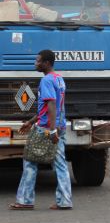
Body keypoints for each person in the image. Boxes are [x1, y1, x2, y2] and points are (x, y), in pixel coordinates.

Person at [9, 49, 72, 211]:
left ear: (47, 63)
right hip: (60, 126)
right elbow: (51, 107)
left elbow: (51, 105)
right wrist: (31, 122)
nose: (35, 64)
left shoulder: (46, 81)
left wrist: (51, 131)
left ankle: (25, 200)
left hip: (46, 129)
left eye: (38, 61)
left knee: (30, 161)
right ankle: (65, 201)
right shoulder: (59, 79)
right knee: (60, 164)